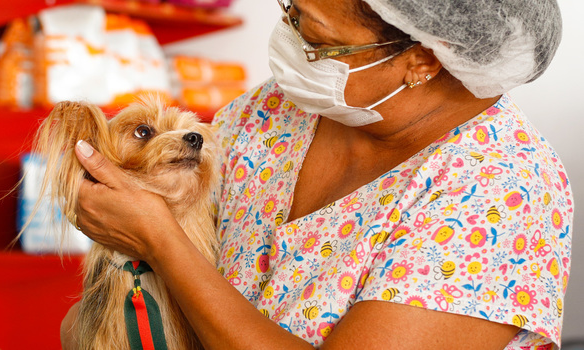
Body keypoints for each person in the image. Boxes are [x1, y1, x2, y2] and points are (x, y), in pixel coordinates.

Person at [63, 0, 572, 348]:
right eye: (293, 11)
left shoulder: (500, 193)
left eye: (318, 37)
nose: (290, 39)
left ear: (419, 61)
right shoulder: (275, 112)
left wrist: (158, 240)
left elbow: (166, 242)